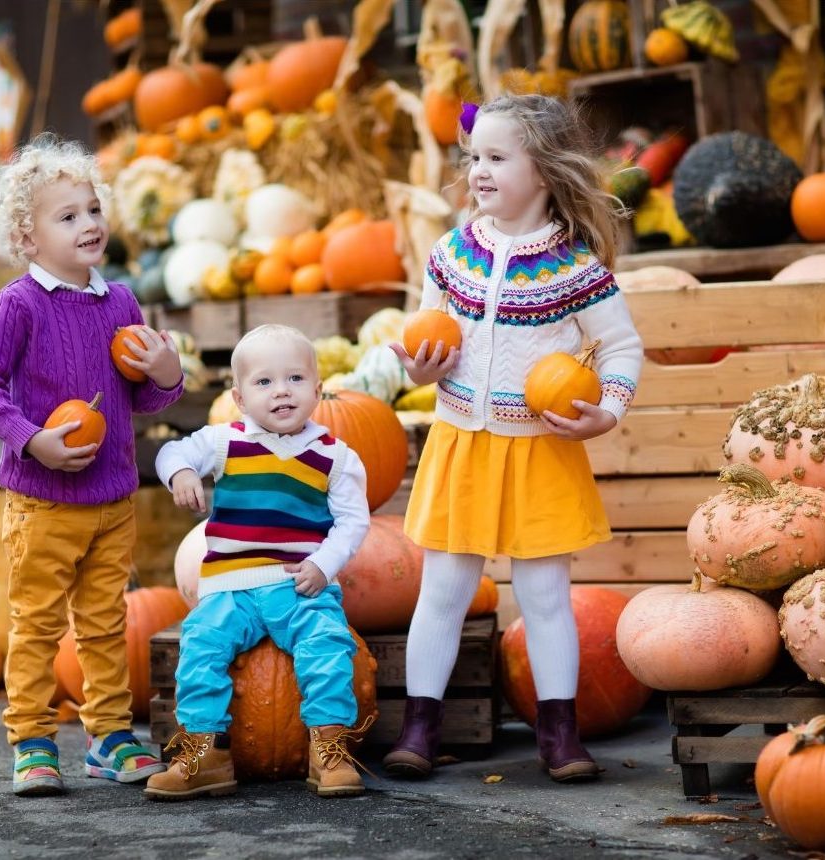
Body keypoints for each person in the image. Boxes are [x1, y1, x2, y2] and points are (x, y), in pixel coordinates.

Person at [383, 94, 643, 783]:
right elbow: (424, 331)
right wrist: (417, 364)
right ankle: (420, 725)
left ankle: (560, 733)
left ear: (546, 171)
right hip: (463, 440)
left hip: (540, 448)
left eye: (497, 158)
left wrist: (607, 411)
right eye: (475, 158)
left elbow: (620, 348)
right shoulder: (452, 253)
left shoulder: (574, 267)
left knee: (544, 595)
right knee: (442, 589)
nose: (479, 172)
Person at [0, 135, 185, 796]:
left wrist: (168, 373)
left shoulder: (120, 304)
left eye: (93, 210)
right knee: (36, 625)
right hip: (43, 502)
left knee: (105, 621)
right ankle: (31, 739)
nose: (89, 224)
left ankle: (109, 735)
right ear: (28, 240)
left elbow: (143, 396)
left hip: (111, 500)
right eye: (68, 217)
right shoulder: (18, 305)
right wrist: (33, 440)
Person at [144, 324, 372, 801]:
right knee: (201, 647)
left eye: (294, 378)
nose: (281, 391)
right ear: (240, 398)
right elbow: (171, 450)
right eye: (263, 382)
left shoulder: (336, 456)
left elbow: (353, 522)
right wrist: (183, 472)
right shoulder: (225, 441)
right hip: (231, 584)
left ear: (318, 389)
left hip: (298, 582)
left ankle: (328, 747)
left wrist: (323, 565)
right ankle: (207, 752)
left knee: (327, 646)